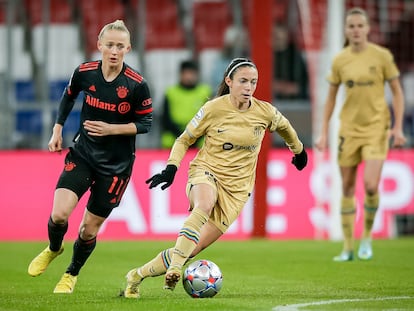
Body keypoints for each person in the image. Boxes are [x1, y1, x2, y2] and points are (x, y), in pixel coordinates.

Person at [121, 57, 308, 298]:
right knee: (204, 205)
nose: (249, 87)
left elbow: (285, 127)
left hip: (237, 191)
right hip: (206, 171)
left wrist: (298, 150)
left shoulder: (264, 112)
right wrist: (171, 167)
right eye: (243, 81)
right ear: (229, 81)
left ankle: (136, 275)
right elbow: (184, 139)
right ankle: (176, 269)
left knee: (188, 250)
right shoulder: (213, 108)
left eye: (253, 82)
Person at [27, 20, 153, 293]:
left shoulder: (136, 85)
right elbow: (68, 95)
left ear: (128, 49)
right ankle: (53, 248)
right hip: (83, 153)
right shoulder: (84, 72)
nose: (114, 51)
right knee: (59, 215)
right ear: (99, 45)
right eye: (109, 45)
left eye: (120, 46)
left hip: (116, 167)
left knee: (88, 231)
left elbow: (145, 124)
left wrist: (112, 129)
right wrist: (57, 128)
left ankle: (71, 274)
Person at [315, 7, 406, 262]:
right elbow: (331, 98)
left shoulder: (381, 56)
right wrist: (323, 132)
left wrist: (397, 127)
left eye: (359, 26)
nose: (355, 30)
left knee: (370, 185)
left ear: (367, 29)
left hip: (377, 127)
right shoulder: (340, 60)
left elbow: (397, 91)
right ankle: (347, 247)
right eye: (351, 26)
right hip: (349, 130)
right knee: (346, 186)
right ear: (346, 30)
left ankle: (366, 237)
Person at [161, 60, 212, 148]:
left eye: (192, 73)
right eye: (186, 73)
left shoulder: (205, 92)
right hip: (174, 135)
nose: (189, 77)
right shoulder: (171, 92)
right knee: (168, 141)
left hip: (199, 136)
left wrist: (195, 136)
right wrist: (183, 136)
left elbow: (210, 118)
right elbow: (166, 119)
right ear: (181, 74)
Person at [272, 23, 309, 101]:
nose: (277, 41)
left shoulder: (295, 57)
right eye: (274, 37)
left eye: (279, 38)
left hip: (294, 103)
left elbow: (304, 86)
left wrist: (282, 87)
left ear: (287, 37)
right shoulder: (265, 56)